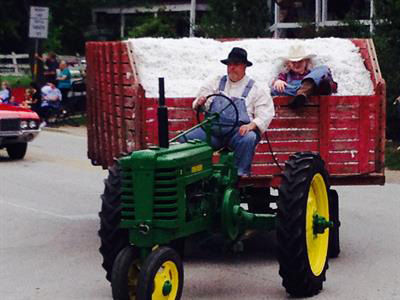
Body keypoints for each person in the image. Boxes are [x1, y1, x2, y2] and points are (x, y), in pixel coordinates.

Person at [180, 47, 275, 176]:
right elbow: (200, 104)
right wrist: (200, 103)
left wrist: (251, 126)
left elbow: (265, 114)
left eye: (236, 64)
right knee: (185, 139)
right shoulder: (215, 82)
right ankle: (191, 176)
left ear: (244, 66)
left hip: (237, 133)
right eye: (229, 64)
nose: (232, 68)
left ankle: (240, 176)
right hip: (213, 132)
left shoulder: (256, 88)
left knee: (249, 138)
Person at [271, 44, 337, 108]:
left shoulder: (313, 73)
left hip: (312, 92)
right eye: (293, 62)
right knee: (276, 89)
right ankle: (302, 94)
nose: (296, 64)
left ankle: (303, 92)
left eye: (300, 61)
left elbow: (334, 88)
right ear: (288, 64)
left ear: (306, 62)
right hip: (293, 91)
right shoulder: (285, 74)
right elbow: (275, 88)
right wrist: (278, 82)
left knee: (323, 69)